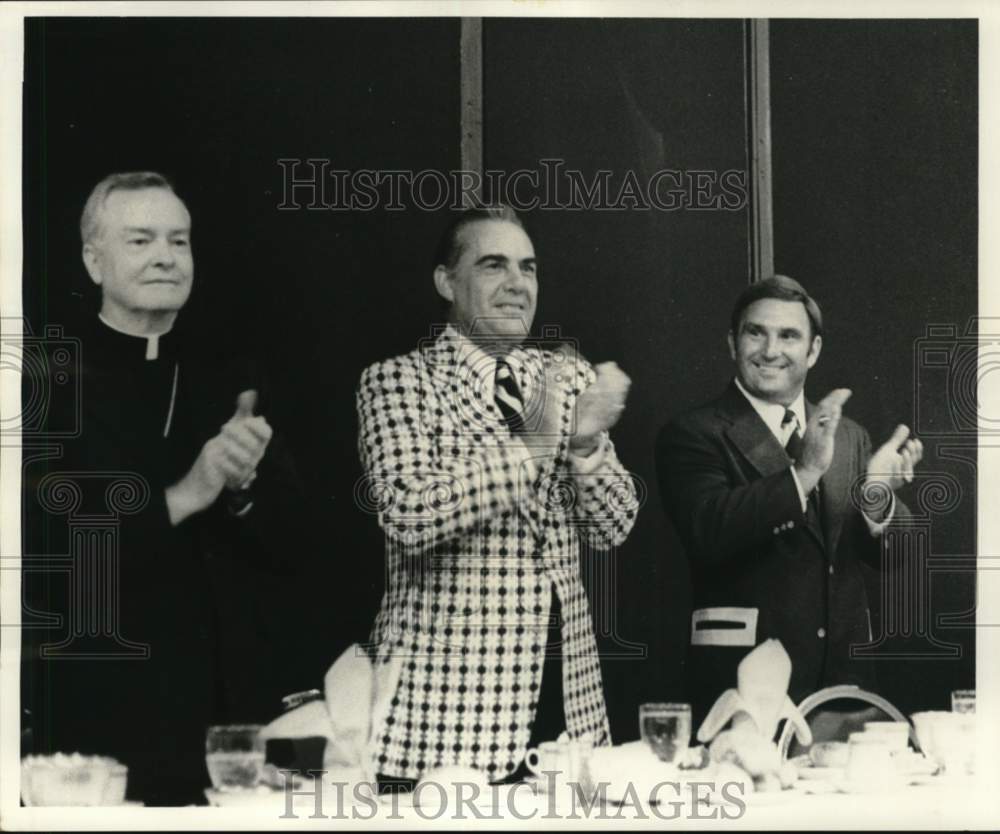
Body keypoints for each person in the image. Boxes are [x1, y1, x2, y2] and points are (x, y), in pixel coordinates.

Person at [21, 172, 303, 805]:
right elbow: (44, 554)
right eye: (142, 240)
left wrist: (243, 487)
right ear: (94, 260)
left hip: (222, 706)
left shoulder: (227, 377)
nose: (166, 257)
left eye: (179, 240)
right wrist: (189, 491)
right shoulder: (44, 384)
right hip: (101, 701)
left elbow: (297, 546)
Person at [355, 205, 639, 785]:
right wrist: (533, 450)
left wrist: (585, 446)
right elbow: (409, 513)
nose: (517, 284)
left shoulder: (566, 376)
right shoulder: (399, 380)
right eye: (493, 266)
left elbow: (613, 528)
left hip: (566, 710)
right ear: (446, 282)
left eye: (528, 268)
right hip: (442, 721)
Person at [655, 275, 923, 726]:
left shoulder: (848, 434)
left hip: (845, 691)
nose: (770, 350)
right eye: (755, 332)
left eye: (789, 335)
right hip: (742, 693)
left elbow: (895, 559)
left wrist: (877, 498)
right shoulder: (692, 433)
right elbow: (708, 530)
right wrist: (805, 473)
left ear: (813, 350)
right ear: (731, 342)